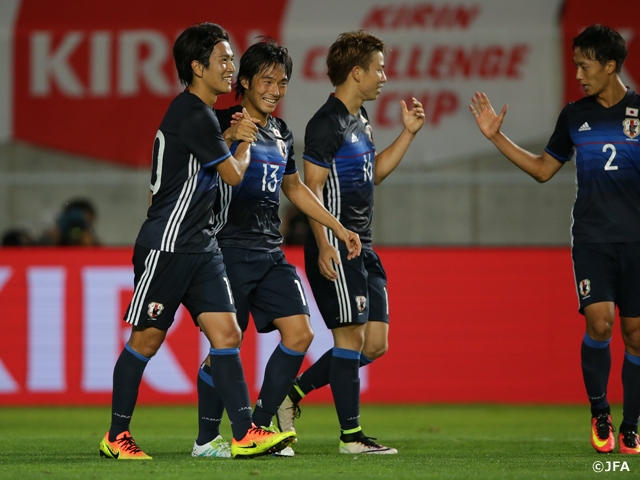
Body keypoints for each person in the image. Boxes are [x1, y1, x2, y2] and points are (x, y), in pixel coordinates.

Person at [98, 23, 295, 461]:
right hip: (168, 244)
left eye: (231, 60)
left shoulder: (201, 116)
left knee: (227, 334)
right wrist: (243, 142)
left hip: (201, 245)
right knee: (146, 340)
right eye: (223, 60)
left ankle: (244, 433)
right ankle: (116, 437)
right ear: (196, 67)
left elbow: (186, 173)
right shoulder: (192, 111)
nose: (231, 68)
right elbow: (233, 174)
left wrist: (229, 139)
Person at [469, 24, 640, 455]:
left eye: (585, 65)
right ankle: (600, 411)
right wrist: (496, 137)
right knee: (599, 322)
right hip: (593, 240)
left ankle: (632, 425)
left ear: (610, 65)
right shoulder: (574, 116)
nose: (579, 74)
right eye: (576, 65)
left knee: (636, 335)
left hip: (637, 242)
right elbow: (544, 169)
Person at [191, 37, 361, 459]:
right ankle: (205, 440)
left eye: (282, 82)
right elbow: (194, 175)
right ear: (244, 81)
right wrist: (232, 136)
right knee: (224, 348)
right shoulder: (218, 122)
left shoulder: (281, 131)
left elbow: (294, 188)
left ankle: (262, 427)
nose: (275, 90)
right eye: (267, 81)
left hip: (270, 252)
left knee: (301, 333)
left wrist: (337, 227)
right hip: (225, 250)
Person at [276, 30, 425, 454]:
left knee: (375, 344)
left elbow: (372, 174)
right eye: (378, 68)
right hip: (337, 245)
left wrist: (408, 134)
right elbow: (312, 188)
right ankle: (351, 438)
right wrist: (324, 244)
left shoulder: (359, 120)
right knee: (349, 340)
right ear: (356, 73)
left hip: (364, 246)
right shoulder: (326, 122)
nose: (384, 76)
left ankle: (291, 395)